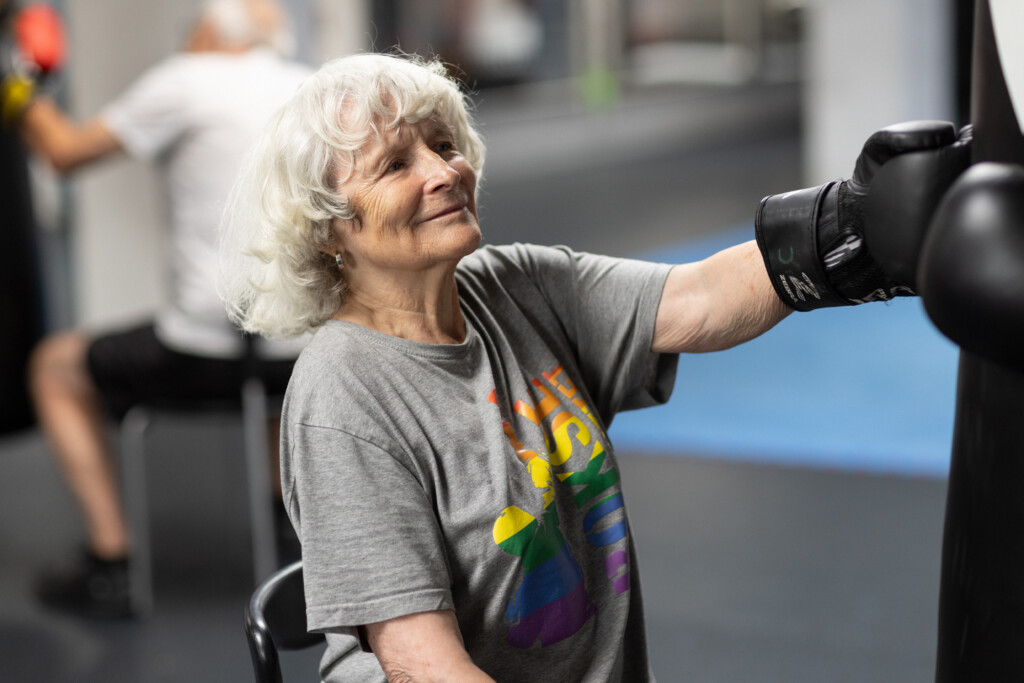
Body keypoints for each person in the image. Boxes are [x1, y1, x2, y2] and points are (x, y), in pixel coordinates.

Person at [219, 53, 970, 681]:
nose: (443, 172)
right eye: (394, 165)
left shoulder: (513, 285)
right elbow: (422, 663)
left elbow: (700, 299)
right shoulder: (344, 395)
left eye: (443, 145)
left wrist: (852, 223)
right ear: (328, 230)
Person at [16, 0, 312, 619]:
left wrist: (18, 84)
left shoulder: (186, 79)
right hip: (307, 355)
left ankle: (110, 561)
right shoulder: (309, 87)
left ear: (211, 33)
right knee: (279, 347)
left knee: (53, 367)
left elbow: (63, 153)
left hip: (203, 355)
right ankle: (288, 532)